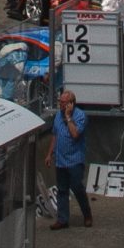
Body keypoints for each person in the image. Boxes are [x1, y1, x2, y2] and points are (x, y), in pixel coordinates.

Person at [49, 92, 92, 230]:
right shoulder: (57, 115)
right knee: (62, 190)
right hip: (60, 160)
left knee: (77, 187)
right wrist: (50, 153)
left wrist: (68, 117)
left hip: (74, 160)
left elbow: (75, 134)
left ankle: (87, 214)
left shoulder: (80, 116)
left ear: (71, 103)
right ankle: (62, 219)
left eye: (63, 102)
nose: (60, 105)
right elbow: (55, 135)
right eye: (60, 102)